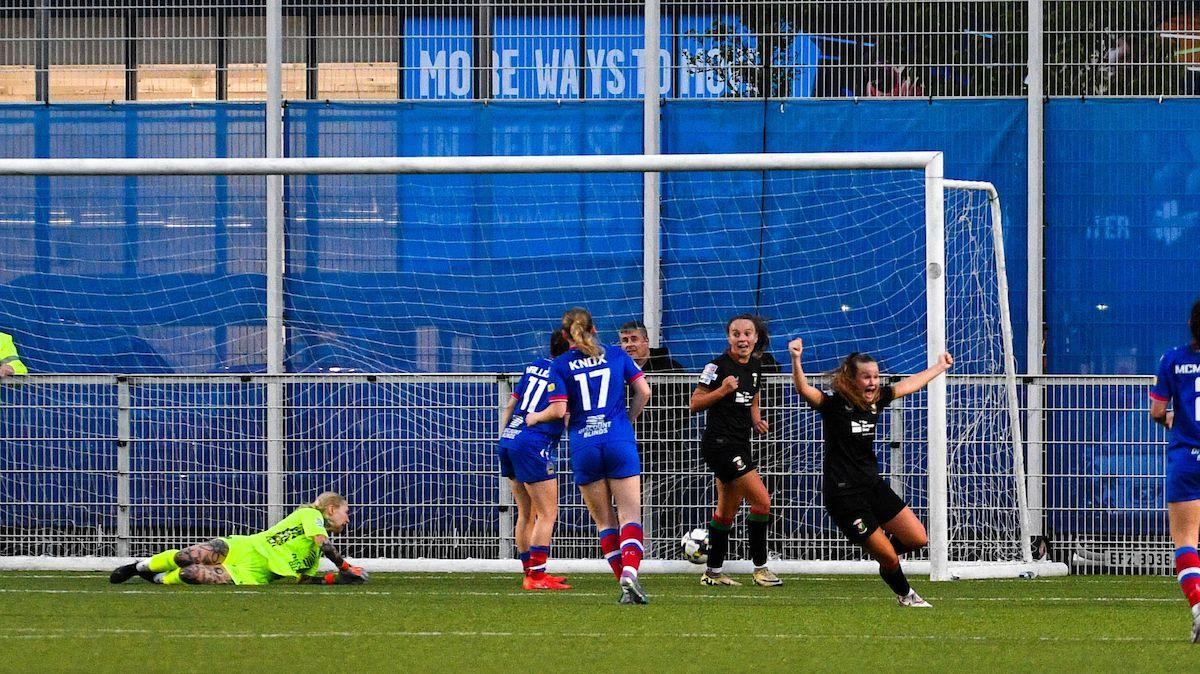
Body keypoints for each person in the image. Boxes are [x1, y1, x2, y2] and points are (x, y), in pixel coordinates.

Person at [789, 337, 951, 607]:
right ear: (851, 379)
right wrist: (796, 360)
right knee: (889, 557)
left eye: (876, 376)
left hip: (872, 486)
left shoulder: (876, 400)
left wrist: (938, 368)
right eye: (866, 377)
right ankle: (906, 595)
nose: (873, 382)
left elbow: (906, 386)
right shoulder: (834, 405)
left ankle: (887, 560)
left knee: (917, 538)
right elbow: (804, 389)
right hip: (844, 495)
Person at [525, 307, 652, 604]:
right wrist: (626, 420)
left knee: (605, 522)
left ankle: (624, 582)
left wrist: (534, 418)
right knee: (630, 515)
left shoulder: (561, 364)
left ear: (566, 336)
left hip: (584, 444)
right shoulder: (616, 354)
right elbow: (643, 391)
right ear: (594, 330)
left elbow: (559, 410)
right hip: (618, 439)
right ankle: (630, 572)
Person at [689, 314, 782, 588]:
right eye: (736, 334)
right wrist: (722, 390)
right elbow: (694, 404)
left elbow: (753, 394)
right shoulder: (716, 367)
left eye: (747, 334)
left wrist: (756, 417)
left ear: (756, 337)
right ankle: (761, 569)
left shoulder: (756, 364)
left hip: (740, 443)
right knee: (762, 502)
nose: (742, 339)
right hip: (719, 445)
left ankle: (713, 572)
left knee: (727, 510)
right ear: (728, 337)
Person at [109, 492, 367, 586]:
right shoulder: (311, 515)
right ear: (331, 509)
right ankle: (136, 567)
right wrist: (345, 567)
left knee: (190, 574)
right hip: (244, 545)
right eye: (346, 513)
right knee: (186, 556)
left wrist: (336, 579)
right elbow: (324, 542)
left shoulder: (314, 553)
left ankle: (158, 579)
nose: (347, 519)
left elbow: (305, 578)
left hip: (253, 573)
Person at [498, 329, 571, 590]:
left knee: (526, 513)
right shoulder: (565, 372)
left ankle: (529, 572)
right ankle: (538, 577)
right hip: (533, 443)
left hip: (509, 438)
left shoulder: (534, 367)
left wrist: (508, 436)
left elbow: (510, 405)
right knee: (548, 513)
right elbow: (561, 411)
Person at [1149, 299, 1200, 643]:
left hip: (1187, 459)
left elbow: (1157, 411)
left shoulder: (1173, 359)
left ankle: (1198, 606)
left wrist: (1172, 420)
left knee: (1185, 540)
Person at [618, 320, 689, 554]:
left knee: (667, 502)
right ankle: (625, 552)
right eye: (624, 341)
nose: (629, 345)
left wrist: (668, 434)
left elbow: (684, 408)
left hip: (663, 447)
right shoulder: (614, 371)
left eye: (634, 339)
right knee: (625, 504)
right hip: (626, 446)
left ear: (646, 341)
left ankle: (670, 553)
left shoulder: (671, 368)